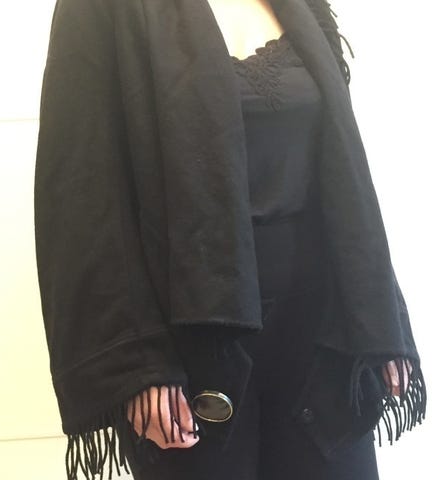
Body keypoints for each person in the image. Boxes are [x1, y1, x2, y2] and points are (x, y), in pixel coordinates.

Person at [34, 1, 427, 479]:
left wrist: (379, 316)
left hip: (320, 339)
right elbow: (80, 186)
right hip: (191, 350)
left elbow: (341, 169)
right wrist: (137, 366)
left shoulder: (301, 6)